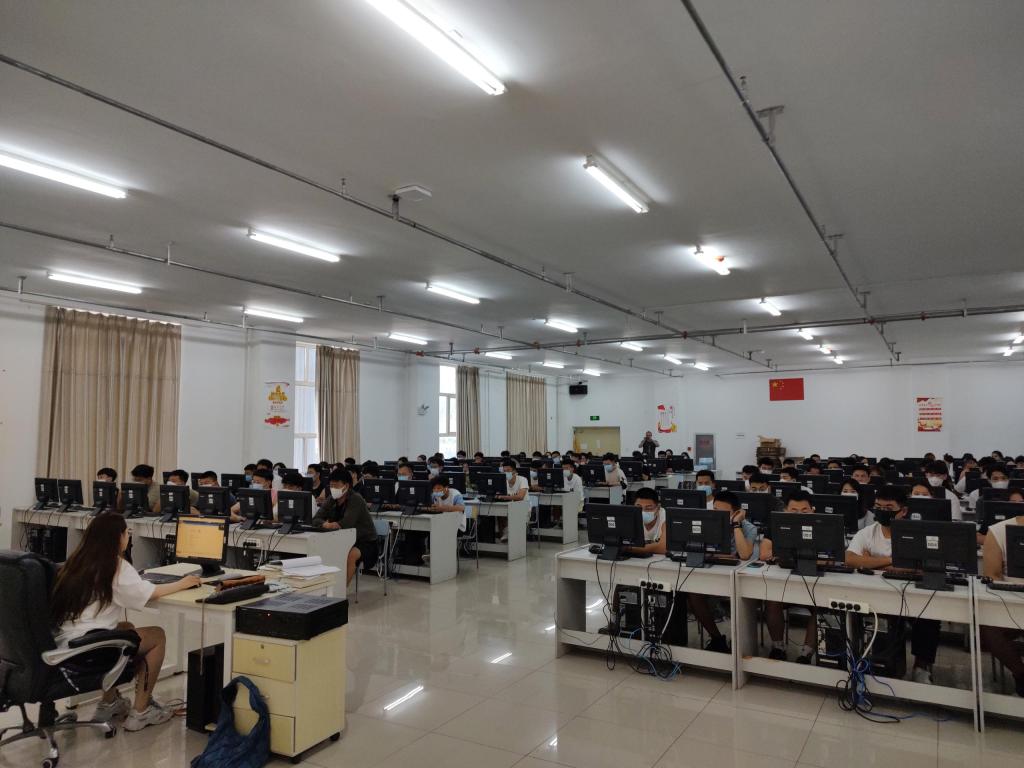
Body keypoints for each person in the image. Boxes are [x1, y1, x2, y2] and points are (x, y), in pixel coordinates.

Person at [50, 513, 201, 731]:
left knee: (127, 628)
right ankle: (141, 712)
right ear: (118, 537)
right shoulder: (114, 565)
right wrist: (183, 583)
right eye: (127, 533)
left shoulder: (74, 562)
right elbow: (149, 594)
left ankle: (109, 703)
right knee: (156, 636)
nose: (128, 537)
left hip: (66, 645)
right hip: (88, 650)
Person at [845, 486, 941, 684]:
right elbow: (850, 559)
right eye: (878, 507)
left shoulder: (917, 533)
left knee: (929, 617)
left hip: (912, 596)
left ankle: (921, 667)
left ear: (903, 511)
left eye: (888, 508)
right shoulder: (868, 532)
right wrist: (892, 561)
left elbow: (920, 568)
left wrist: (870, 560)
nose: (882, 511)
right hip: (875, 595)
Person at [689, 490, 758, 653]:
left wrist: (736, 525)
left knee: (740, 598)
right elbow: (698, 549)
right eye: (714, 510)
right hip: (712, 574)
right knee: (693, 594)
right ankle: (717, 639)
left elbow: (744, 554)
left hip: (737, 579)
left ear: (736, 513)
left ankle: (741, 645)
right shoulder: (707, 523)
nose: (716, 515)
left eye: (722, 512)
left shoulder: (749, 528)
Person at [760, 490, 818, 663]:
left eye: (804, 511)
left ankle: (806, 654)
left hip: (815, 584)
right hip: (785, 583)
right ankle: (778, 647)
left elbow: (831, 557)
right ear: (785, 511)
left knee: (821, 607)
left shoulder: (822, 526)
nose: (799, 515)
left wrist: (782, 554)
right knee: (772, 601)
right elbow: (764, 553)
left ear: (813, 511)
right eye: (794, 510)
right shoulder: (777, 526)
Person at [980, 504, 1024, 696]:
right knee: (988, 628)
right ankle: (1021, 675)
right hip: (1008, 603)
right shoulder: (999, 531)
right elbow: (991, 575)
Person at [312, 468, 377, 584]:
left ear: (346, 486)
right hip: (340, 538)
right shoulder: (332, 499)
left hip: (364, 542)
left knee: (349, 555)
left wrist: (332, 525)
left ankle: (342, 589)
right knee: (321, 550)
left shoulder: (356, 499)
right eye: (331, 485)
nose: (333, 489)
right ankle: (325, 585)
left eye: (336, 485)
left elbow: (346, 524)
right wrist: (324, 524)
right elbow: (316, 519)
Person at [625, 488, 666, 556]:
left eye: (648, 508)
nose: (643, 512)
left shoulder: (665, 517)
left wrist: (629, 549)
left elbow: (663, 547)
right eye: (639, 508)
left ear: (658, 508)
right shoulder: (630, 515)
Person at [496, 458, 529, 542]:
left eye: (508, 470)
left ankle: (512, 536)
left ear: (514, 471)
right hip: (508, 507)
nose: (506, 473)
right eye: (504, 471)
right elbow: (498, 493)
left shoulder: (523, 479)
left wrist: (504, 497)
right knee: (498, 512)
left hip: (522, 507)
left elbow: (520, 497)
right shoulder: (503, 481)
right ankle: (504, 534)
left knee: (509, 514)